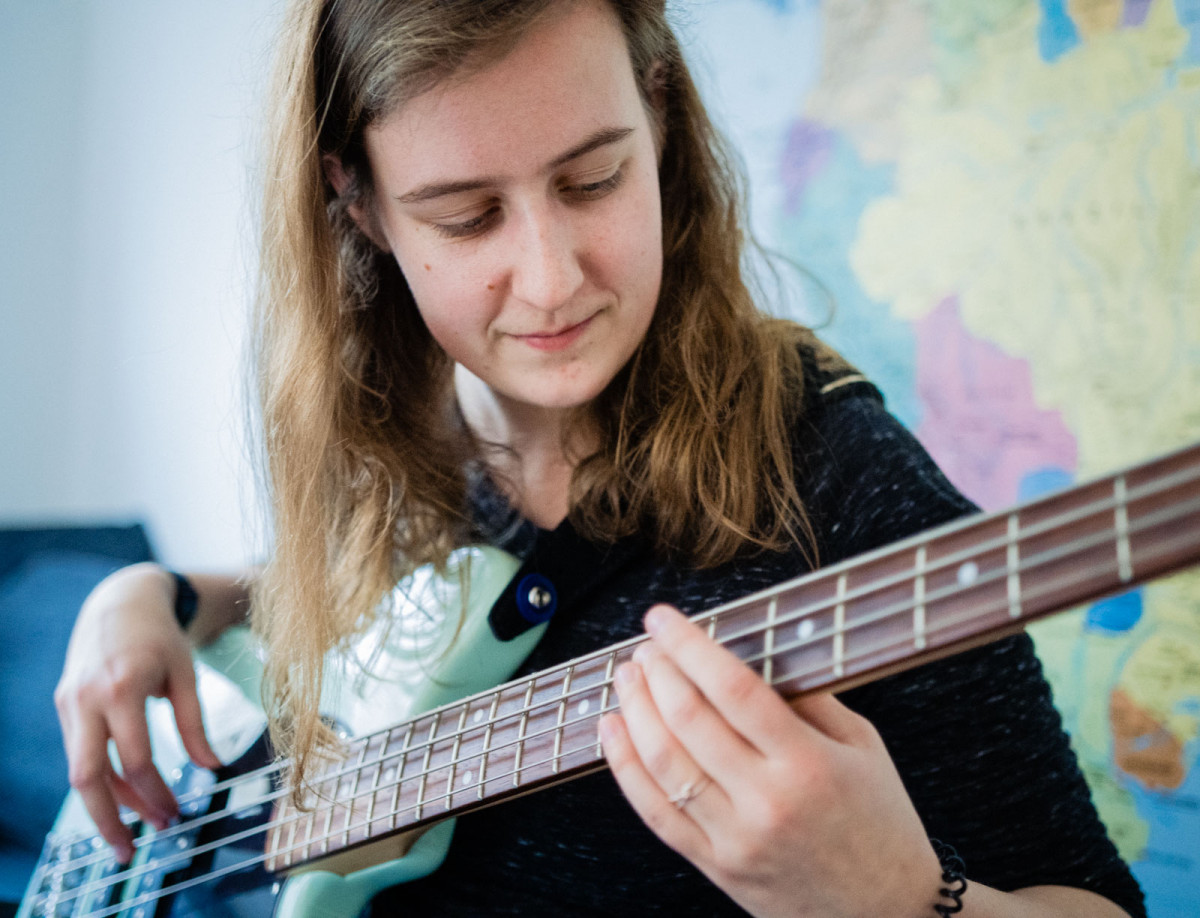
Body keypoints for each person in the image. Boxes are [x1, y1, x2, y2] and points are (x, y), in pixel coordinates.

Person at [53, 1, 1146, 915]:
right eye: (469, 217)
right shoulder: (412, 450)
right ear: (362, 205)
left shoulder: (834, 475)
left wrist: (909, 902)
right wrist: (146, 596)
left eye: (590, 182)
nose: (551, 279)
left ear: (658, 116)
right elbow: (328, 609)